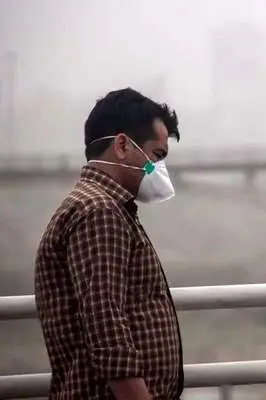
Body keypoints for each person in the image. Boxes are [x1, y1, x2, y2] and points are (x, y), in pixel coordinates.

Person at [34, 88, 184, 400]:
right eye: (156, 156)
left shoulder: (104, 206)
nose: (158, 169)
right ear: (122, 145)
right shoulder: (99, 212)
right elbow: (105, 323)